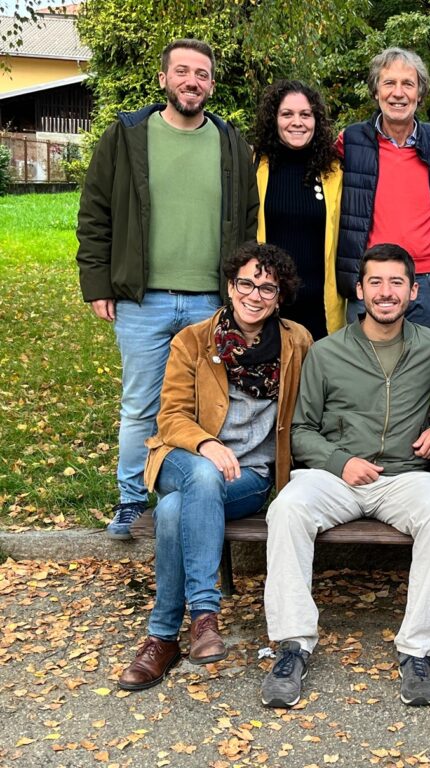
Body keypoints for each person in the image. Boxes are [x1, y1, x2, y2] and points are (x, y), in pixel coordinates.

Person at [260, 244, 430, 709]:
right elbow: (301, 430)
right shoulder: (327, 352)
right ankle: (292, 645)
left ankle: (417, 650)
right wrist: (339, 461)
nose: (386, 292)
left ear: (414, 291)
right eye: (376, 282)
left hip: (403, 476)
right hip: (336, 477)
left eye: (396, 283)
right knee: (286, 509)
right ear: (359, 290)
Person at [76, 38, 259, 539]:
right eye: (181, 71)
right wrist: (97, 283)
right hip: (143, 299)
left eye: (201, 74)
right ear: (163, 79)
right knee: (141, 405)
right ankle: (131, 500)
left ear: (211, 85)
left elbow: (246, 219)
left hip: (209, 300)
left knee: (205, 405)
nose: (191, 81)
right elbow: (95, 214)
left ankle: (183, 498)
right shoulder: (128, 135)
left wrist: (238, 292)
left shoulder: (230, 143)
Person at [117, 243, 311, 691]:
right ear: (230, 286)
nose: (255, 295)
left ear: (279, 298)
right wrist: (206, 443)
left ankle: (162, 638)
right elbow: (170, 416)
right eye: (246, 283)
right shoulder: (193, 340)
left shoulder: (297, 342)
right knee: (202, 475)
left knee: (171, 511)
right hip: (182, 459)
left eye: (267, 288)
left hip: (249, 476)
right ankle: (205, 614)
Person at [336, 48, 430, 329]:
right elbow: (309, 161)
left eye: (408, 84)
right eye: (389, 83)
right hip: (371, 277)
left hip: (428, 280)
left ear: (420, 93)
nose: (398, 93)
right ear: (376, 91)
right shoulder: (351, 140)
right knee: (366, 356)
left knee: (424, 357)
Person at [252, 80, 344, 341]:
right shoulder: (255, 166)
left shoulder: (335, 171)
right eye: (287, 114)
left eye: (305, 114)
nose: (297, 122)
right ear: (274, 119)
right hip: (268, 302)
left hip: (320, 307)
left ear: (316, 120)